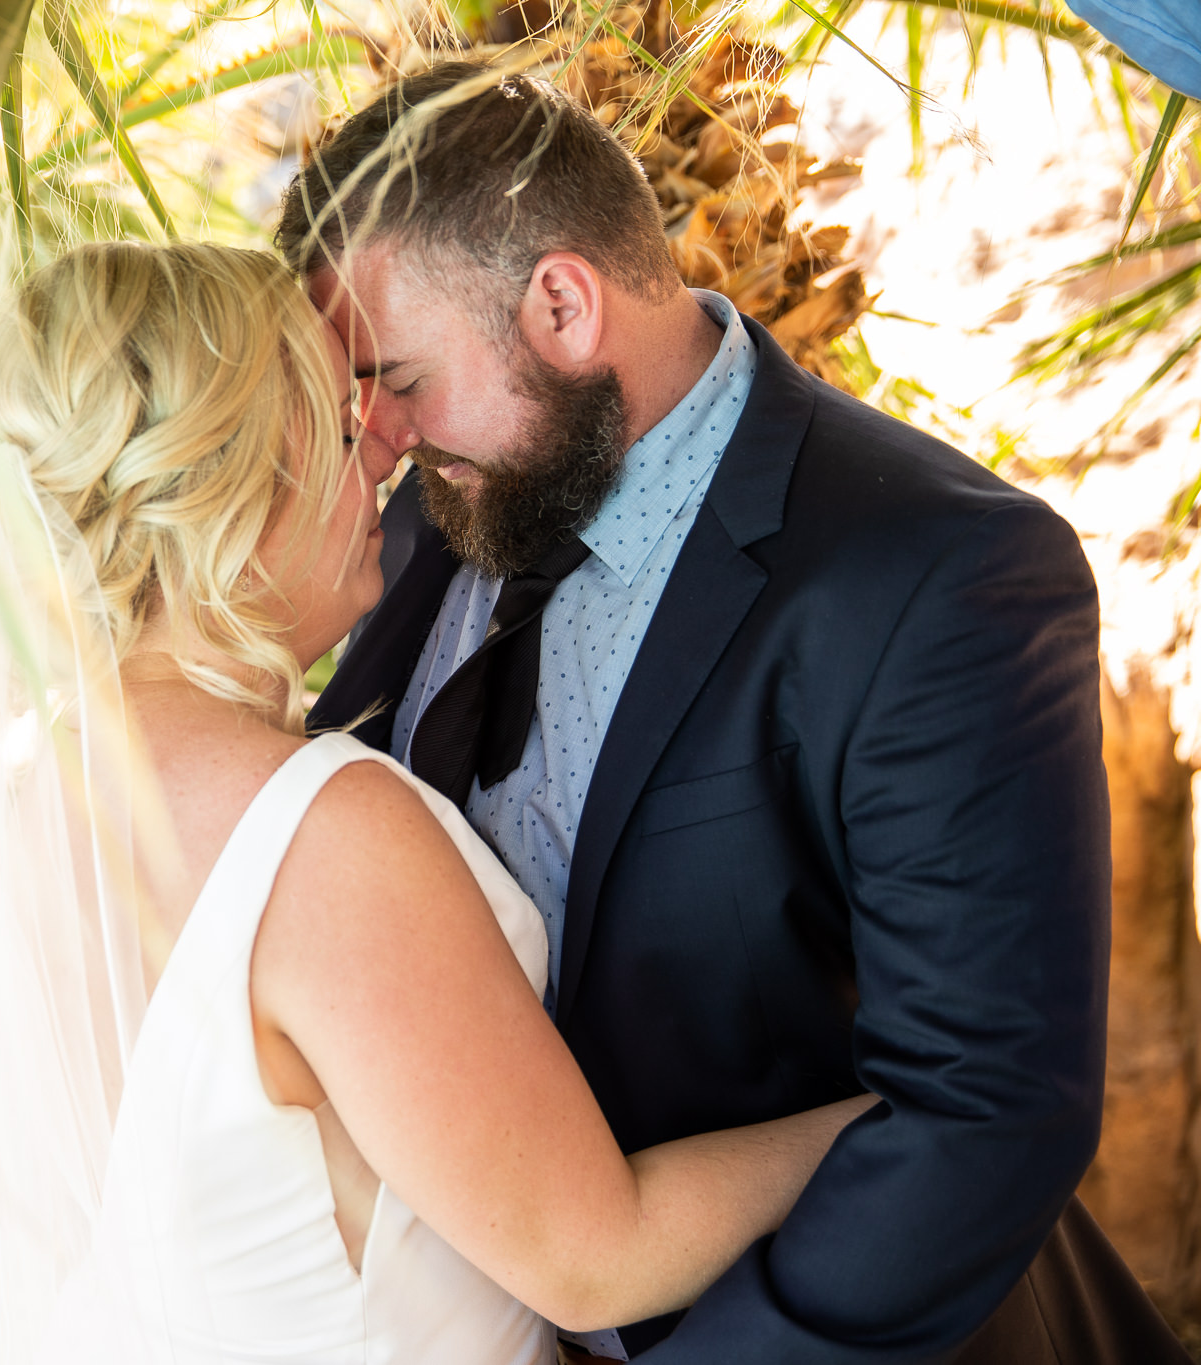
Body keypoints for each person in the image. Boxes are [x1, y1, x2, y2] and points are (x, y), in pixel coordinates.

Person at [0, 241, 876, 1365]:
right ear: (219, 481)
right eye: (330, 411)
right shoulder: (318, 836)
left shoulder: (13, 795)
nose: (384, 445)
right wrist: (888, 1118)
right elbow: (592, 1257)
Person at [280, 61, 1189, 1362]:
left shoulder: (938, 576)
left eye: (401, 378)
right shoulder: (453, 493)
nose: (376, 436)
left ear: (560, 303)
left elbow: (987, 1112)